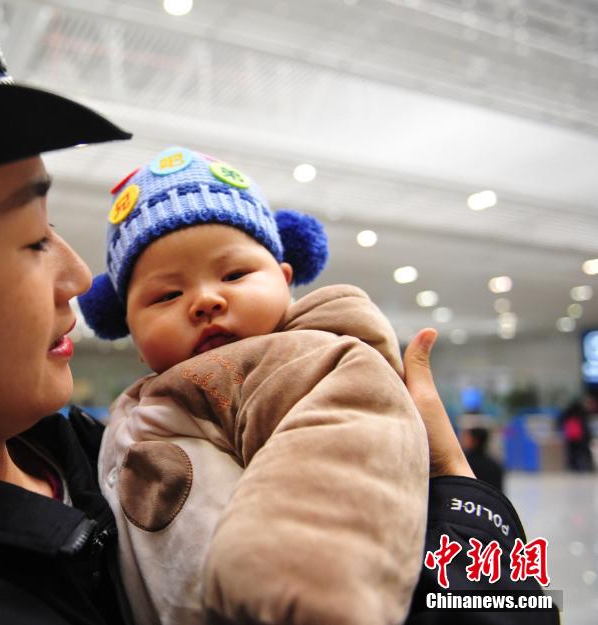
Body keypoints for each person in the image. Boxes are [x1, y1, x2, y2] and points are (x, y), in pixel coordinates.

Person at [0, 2, 557, 624]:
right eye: (30, 239)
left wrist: (459, 494)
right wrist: (460, 500)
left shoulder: (104, 450)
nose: (79, 275)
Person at [78, 147, 429, 625]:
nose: (205, 300)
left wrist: (294, 579)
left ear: (285, 281)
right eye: (167, 294)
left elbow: (342, 439)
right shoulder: (143, 401)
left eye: (235, 274)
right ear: (132, 331)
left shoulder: (303, 358)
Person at [558, 398, 595, 472]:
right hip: (581, 436)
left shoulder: (570, 412)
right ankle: (586, 467)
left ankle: (575, 467)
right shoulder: (582, 412)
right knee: (583, 452)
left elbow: (561, 421)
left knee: (573, 452)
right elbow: (586, 427)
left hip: (573, 436)